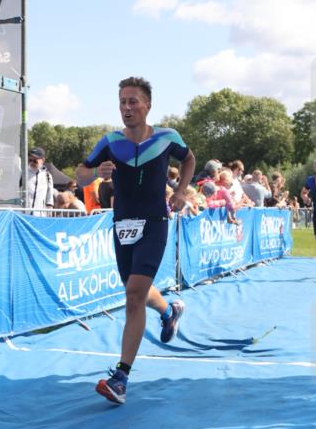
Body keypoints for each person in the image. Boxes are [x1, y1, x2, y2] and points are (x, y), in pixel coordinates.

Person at [77, 76, 195, 405]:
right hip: (123, 224)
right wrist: (95, 173)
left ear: (147, 105)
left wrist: (182, 191)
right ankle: (169, 310)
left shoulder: (167, 137)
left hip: (155, 222)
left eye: (133, 101)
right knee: (134, 287)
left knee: (132, 295)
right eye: (122, 102)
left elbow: (189, 159)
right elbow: (80, 173)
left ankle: (121, 378)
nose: (127, 108)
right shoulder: (110, 141)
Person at [27, 147, 55, 214]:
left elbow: (50, 197)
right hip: (23, 215)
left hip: (40, 216)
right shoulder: (22, 173)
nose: (32, 163)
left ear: (43, 160)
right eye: (30, 160)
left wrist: (49, 212)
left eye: (35, 161)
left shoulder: (48, 176)